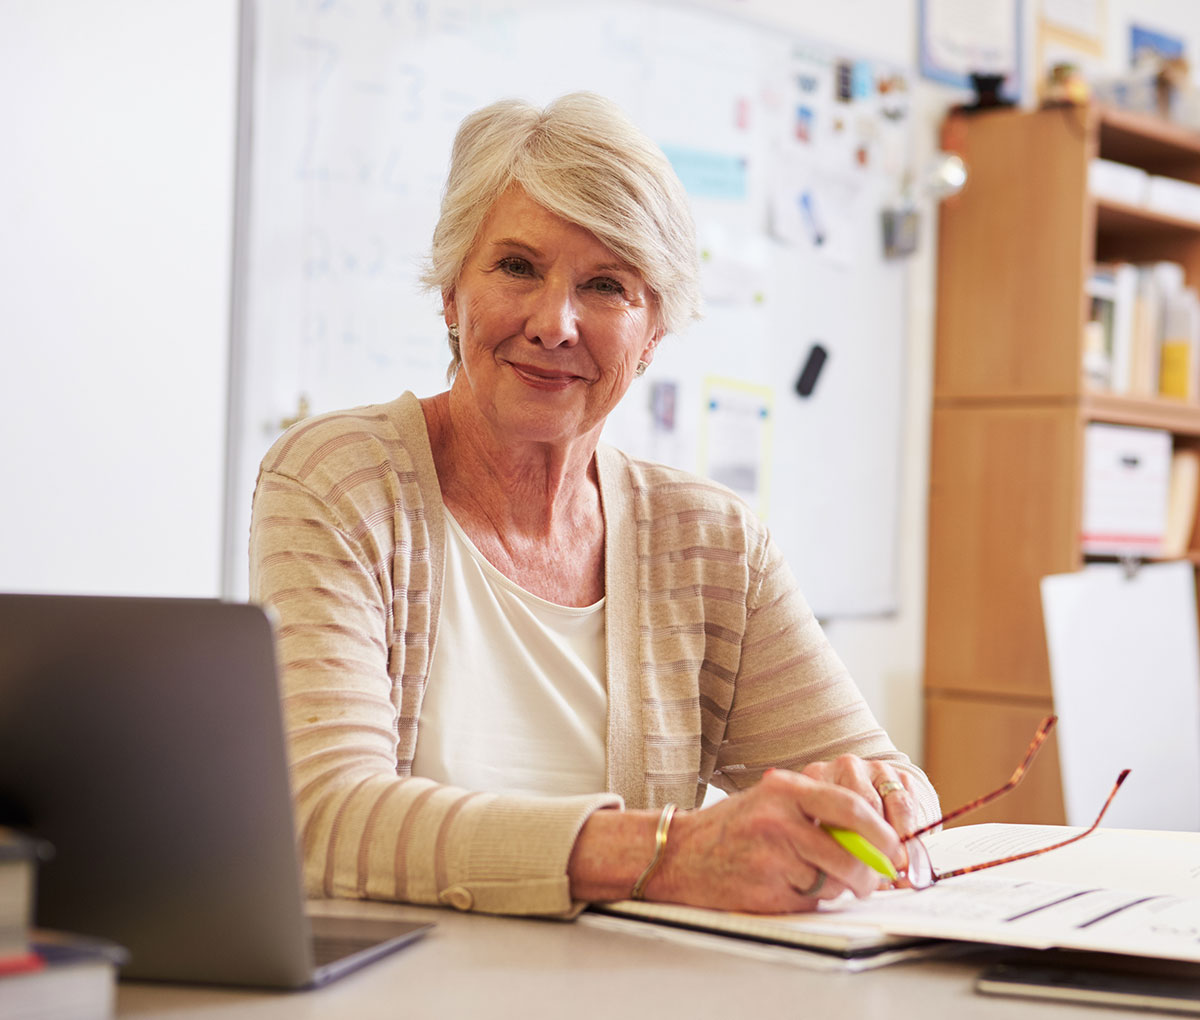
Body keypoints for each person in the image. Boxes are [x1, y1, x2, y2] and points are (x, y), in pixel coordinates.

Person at [249, 92, 939, 919]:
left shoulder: (713, 545)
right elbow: (326, 818)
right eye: (516, 267)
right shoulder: (340, 480)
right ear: (451, 294)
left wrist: (881, 798)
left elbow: (891, 783)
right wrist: (666, 855)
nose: (555, 323)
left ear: (653, 337)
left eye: (606, 285)